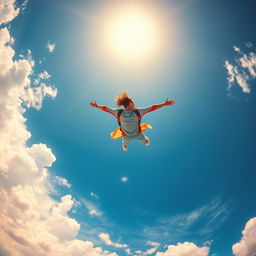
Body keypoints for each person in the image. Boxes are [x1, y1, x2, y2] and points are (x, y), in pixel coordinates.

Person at [89, 91, 175, 151]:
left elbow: (106, 109)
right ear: (130, 103)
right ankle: (125, 145)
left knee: (146, 142)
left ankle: (139, 142)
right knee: (125, 146)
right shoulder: (130, 112)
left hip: (137, 134)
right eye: (133, 102)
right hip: (127, 136)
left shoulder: (121, 112)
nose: (135, 103)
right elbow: (152, 108)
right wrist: (164, 104)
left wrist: (97, 106)